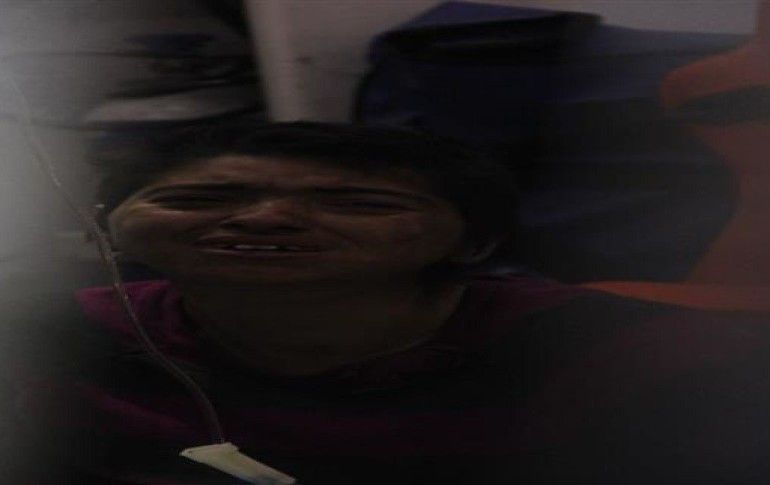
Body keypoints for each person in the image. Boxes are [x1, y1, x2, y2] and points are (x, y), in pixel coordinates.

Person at [4, 121, 770, 484]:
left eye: (358, 203)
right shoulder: (56, 335)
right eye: (200, 198)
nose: (265, 219)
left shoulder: (642, 356)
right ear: (105, 225)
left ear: (474, 242)